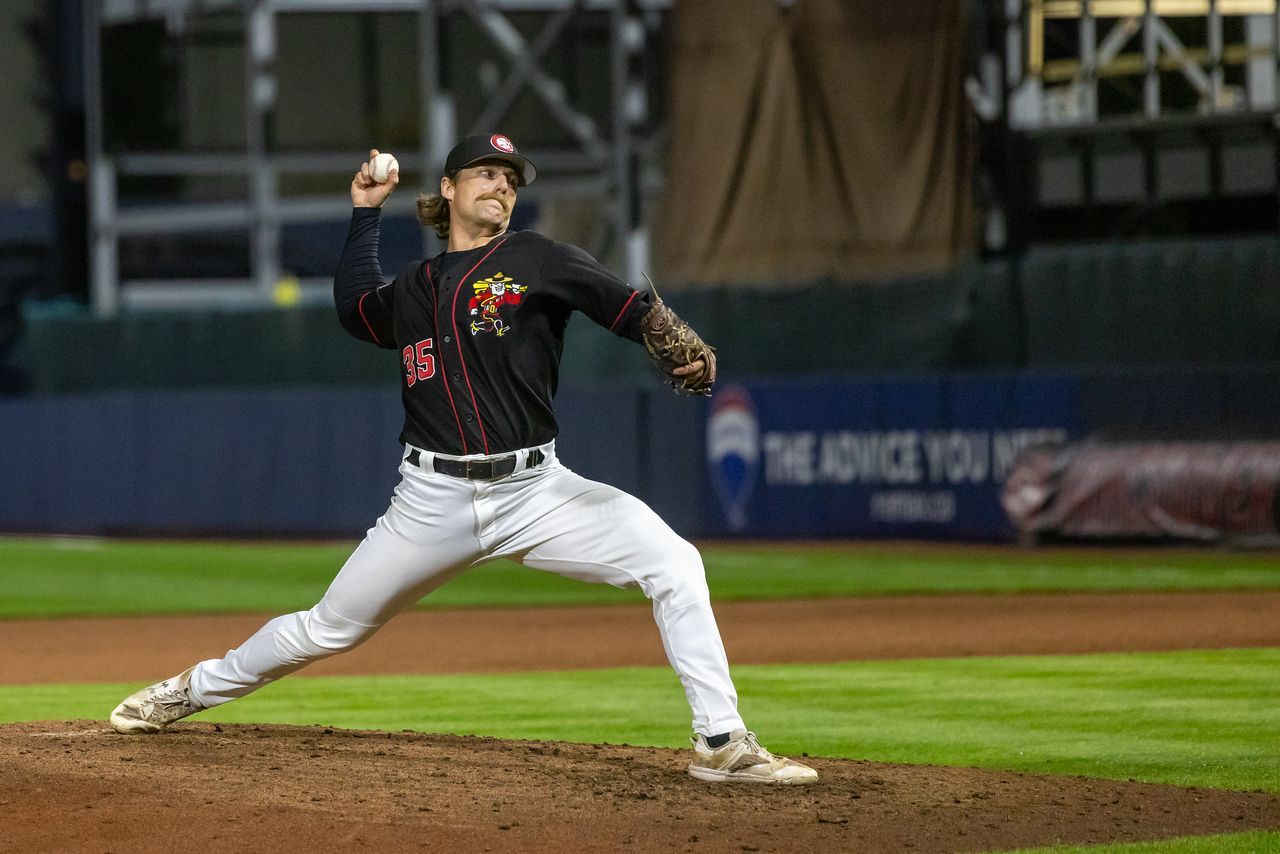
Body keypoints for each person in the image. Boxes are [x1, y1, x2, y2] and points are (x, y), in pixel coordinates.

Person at [109, 133, 817, 784]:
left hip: (539, 492)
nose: (501, 185)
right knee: (327, 628)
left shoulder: (537, 258)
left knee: (675, 563)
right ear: (448, 189)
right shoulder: (415, 290)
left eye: (510, 178)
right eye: (485, 173)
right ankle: (187, 690)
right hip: (430, 502)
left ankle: (721, 741)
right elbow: (356, 309)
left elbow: (625, 305)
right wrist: (365, 211)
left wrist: (671, 338)